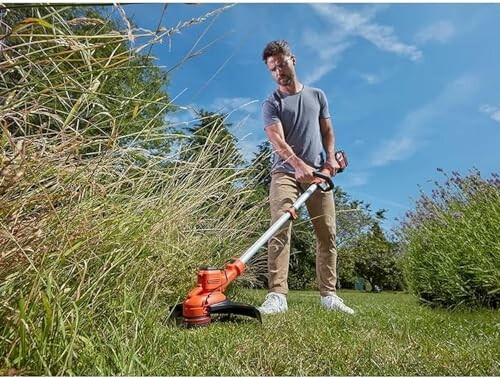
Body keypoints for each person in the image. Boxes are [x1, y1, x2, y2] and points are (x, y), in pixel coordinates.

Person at [258, 40, 354, 315]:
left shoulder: (317, 95)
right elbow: (276, 140)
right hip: (285, 173)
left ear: (293, 60)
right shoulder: (272, 102)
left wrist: (330, 159)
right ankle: (277, 295)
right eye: (273, 69)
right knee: (279, 227)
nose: (279, 72)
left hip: (318, 175)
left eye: (282, 64)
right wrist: (297, 164)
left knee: (328, 234)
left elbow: (327, 132)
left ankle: (329, 296)